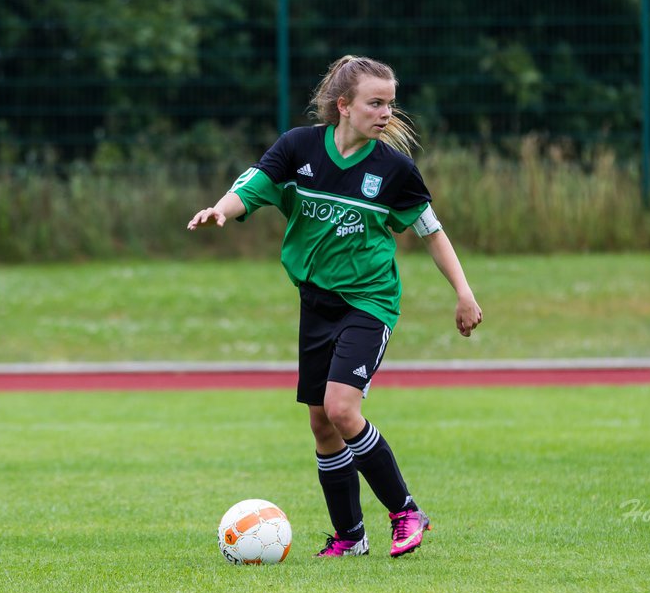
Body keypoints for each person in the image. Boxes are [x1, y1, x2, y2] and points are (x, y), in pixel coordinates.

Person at [187, 55, 483, 558]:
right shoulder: (299, 148)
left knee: (342, 409)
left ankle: (406, 511)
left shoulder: (394, 170)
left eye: (390, 103)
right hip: (316, 303)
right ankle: (350, 537)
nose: (386, 113)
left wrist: (464, 292)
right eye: (375, 103)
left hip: (369, 302)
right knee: (320, 423)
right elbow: (252, 187)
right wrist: (221, 209)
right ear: (343, 105)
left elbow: (431, 233)